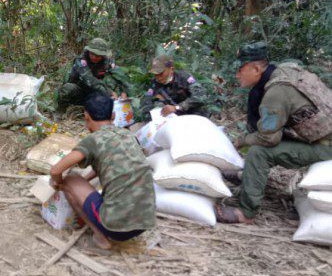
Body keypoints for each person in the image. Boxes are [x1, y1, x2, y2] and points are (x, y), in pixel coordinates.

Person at [216, 41, 332, 224]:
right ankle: (247, 176)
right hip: (319, 136)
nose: (236, 75)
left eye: (240, 69)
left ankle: (246, 212)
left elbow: (268, 139)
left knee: (258, 152)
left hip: (326, 147)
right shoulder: (285, 71)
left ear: (256, 69)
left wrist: (240, 141)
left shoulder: (276, 93)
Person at [50, 93, 156, 250]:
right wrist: (84, 183)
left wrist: (58, 183)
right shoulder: (128, 135)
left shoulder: (93, 140)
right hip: (144, 224)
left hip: (116, 228)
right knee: (80, 183)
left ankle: (100, 237)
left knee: (70, 178)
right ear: (113, 116)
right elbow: (109, 166)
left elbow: (56, 169)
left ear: (86, 117)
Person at [55, 38, 132, 112]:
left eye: (98, 56)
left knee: (111, 80)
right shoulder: (81, 61)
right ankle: (60, 111)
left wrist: (124, 92)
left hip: (94, 94)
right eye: (92, 54)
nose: (94, 57)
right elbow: (90, 80)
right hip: (78, 93)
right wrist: (110, 92)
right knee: (68, 87)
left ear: (103, 55)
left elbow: (122, 77)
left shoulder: (107, 62)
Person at [140, 54, 208, 120]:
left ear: (171, 69)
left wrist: (177, 107)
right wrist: (156, 109)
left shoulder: (184, 78)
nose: (158, 78)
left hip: (195, 117)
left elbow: (201, 96)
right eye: (155, 74)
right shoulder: (155, 83)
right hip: (172, 119)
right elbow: (147, 100)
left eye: (161, 73)